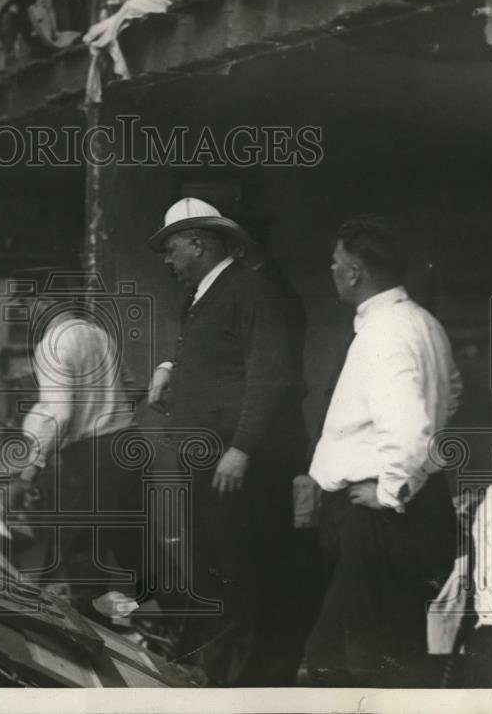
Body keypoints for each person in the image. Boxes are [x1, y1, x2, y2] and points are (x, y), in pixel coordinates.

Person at [146, 198, 304, 686]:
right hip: (207, 459)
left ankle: (237, 683)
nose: (167, 261)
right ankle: (213, 671)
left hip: (234, 462)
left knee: (238, 570)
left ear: (199, 242)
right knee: (212, 565)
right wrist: (169, 369)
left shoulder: (252, 291)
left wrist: (242, 448)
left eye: (172, 249)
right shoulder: (203, 294)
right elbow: (210, 350)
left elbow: (270, 377)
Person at [305, 214, 461, 687]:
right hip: (413, 505)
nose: (331, 271)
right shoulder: (422, 323)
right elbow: (451, 394)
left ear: (354, 271)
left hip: (378, 517)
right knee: (391, 648)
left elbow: (409, 429)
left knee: (357, 662)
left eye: (335, 263)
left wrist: (391, 489)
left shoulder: (384, 333)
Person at [8, 269, 142, 617]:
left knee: (82, 558)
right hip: (127, 446)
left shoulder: (52, 343)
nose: (25, 314)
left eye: (26, 304)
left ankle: (96, 652)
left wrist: (28, 473)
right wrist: (104, 406)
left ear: (44, 302)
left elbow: (61, 414)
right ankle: (179, 634)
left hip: (90, 457)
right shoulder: (98, 335)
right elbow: (132, 388)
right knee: (135, 551)